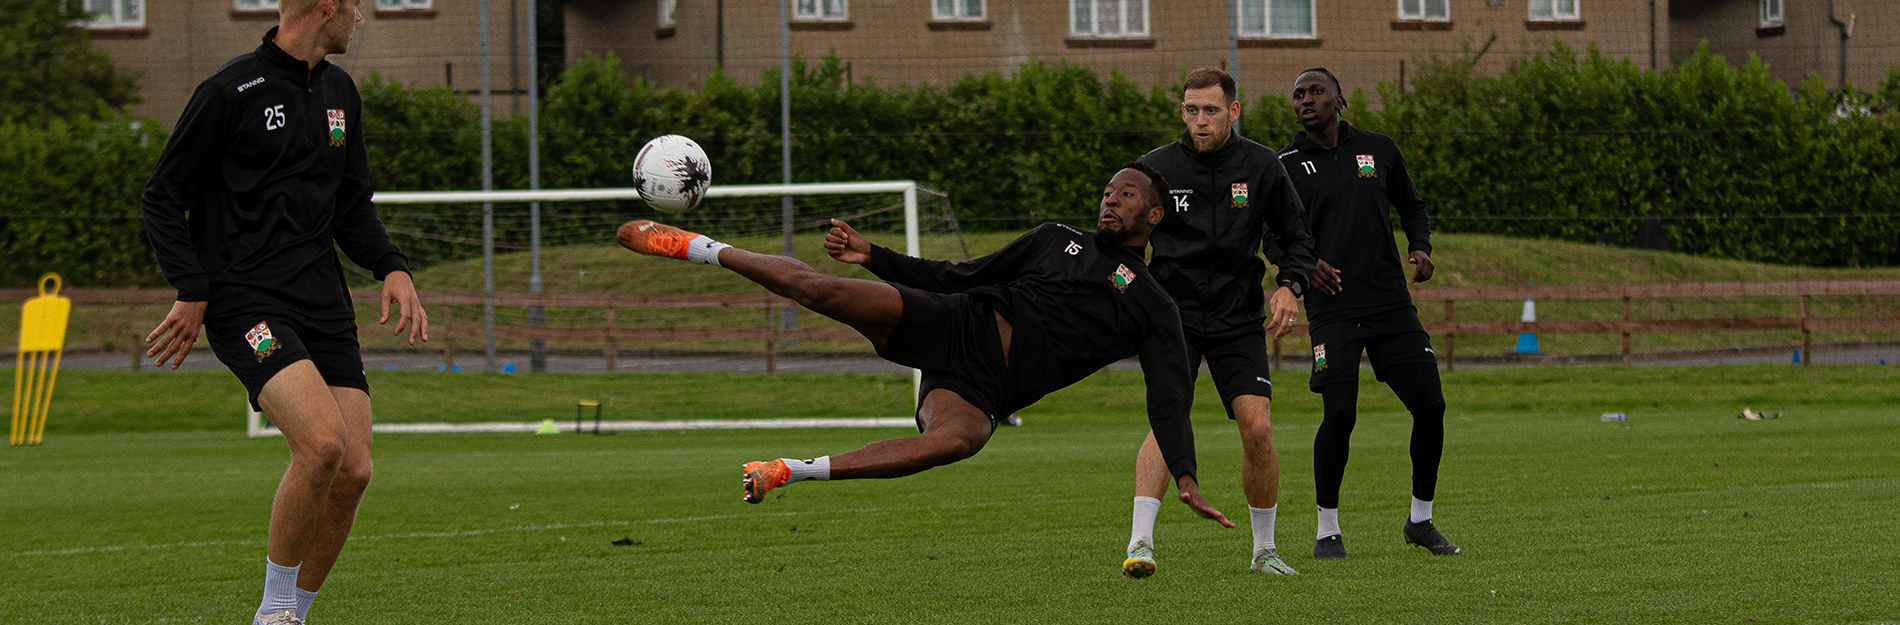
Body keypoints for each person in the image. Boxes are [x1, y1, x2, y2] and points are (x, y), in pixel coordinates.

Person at [615, 165, 1232, 529]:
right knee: (820, 289)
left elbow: (1170, 397)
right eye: (1108, 191)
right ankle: (696, 246)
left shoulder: (1154, 305)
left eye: (1127, 195)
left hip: (984, 388)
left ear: (1154, 217)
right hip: (955, 324)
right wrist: (873, 256)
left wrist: (1184, 474)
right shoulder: (1054, 240)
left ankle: (787, 470)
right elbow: (959, 278)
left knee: (956, 442)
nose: (1111, 198)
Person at [140, 0, 428, 622]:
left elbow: (353, 207)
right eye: (357, 6)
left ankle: (292, 613)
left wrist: (392, 266)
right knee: (321, 445)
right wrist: (193, 288)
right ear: (327, 8)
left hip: (323, 304)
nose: (362, 18)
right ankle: (272, 614)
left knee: (353, 470)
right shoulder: (228, 92)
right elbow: (164, 196)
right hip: (246, 304)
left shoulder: (340, 93)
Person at [1128, 67, 1318, 577]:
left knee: (1258, 429)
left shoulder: (1261, 166)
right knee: (1168, 420)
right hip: (1174, 321)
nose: (1199, 120)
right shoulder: (1153, 171)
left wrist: (1290, 285)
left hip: (1237, 319)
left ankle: (1265, 551)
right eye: (1191, 110)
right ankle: (1140, 543)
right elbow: (1118, 249)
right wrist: (1129, 295)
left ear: (1233, 111)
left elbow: (1295, 238)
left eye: (1210, 110)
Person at [1276, 67, 1461, 559]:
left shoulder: (1379, 149)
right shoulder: (1286, 165)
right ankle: (1327, 530)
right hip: (1331, 309)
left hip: (1389, 302)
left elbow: (1413, 206)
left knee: (1431, 406)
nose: (1306, 101)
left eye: (1316, 92)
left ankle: (1420, 520)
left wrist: (1420, 247)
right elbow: (1274, 236)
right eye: (1298, 96)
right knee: (1340, 413)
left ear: (1342, 100)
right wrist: (1305, 265)